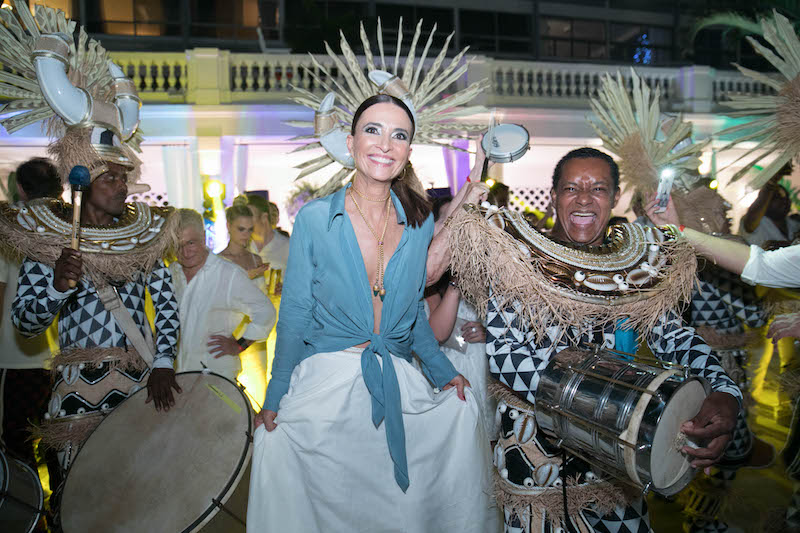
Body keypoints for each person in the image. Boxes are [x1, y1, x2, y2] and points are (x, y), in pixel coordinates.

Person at [452, 147, 742, 532]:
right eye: (571, 187)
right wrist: (606, 402)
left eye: (598, 188)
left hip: (614, 462)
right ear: (553, 195)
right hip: (535, 454)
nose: (585, 198)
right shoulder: (515, 263)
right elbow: (505, 355)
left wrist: (724, 390)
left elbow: (672, 335)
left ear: (614, 196)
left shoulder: (635, 272)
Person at [247, 93, 495, 533]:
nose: (385, 144)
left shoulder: (417, 224)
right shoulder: (315, 219)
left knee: (402, 512)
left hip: (398, 383)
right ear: (351, 141)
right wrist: (276, 392)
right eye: (373, 130)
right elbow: (296, 312)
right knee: (327, 511)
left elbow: (412, 316)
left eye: (399, 135)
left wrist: (441, 372)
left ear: (407, 152)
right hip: (327, 385)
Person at [0, 158, 63, 495]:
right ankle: (60, 511)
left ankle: (27, 514)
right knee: (55, 441)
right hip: (57, 361)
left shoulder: (10, 234)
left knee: (16, 443)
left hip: (14, 360)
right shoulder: (67, 231)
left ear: (21, 190)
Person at [169, 209, 275, 381]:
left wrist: (239, 346)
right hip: (178, 377)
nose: (185, 252)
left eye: (191, 243)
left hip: (217, 378)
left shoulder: (229, 273)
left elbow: (266, 312)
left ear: (203, 237)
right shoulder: (171, 273)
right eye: (177, 245)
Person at [424, 195, 493, 435]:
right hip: (449, 369)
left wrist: (489, 333)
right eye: (448, 221)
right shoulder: (429, 277)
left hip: (486, 370)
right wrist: (456, 280)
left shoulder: (495, 272)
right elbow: (436, 334)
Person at [740, 164, 800, 247]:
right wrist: (771, 182)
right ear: (766, 202)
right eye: (777, 198)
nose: (783, 202)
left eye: (785, 199)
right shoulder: (755, 222)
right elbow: (752, 218)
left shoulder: (793, 223)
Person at [219, 198, 268, 290]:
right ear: (228, 226)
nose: (246, 234)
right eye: (241, 229)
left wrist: (272, 289)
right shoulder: (218, 262)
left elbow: (261, 294)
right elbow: (217, 298)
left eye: (250, 229)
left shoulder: (256, 260)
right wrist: (245, 277)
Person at [247, 194, 290, 272]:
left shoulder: (289, 247)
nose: (244, 221)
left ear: (264, 217)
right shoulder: (242, 247)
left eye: (249, 216)